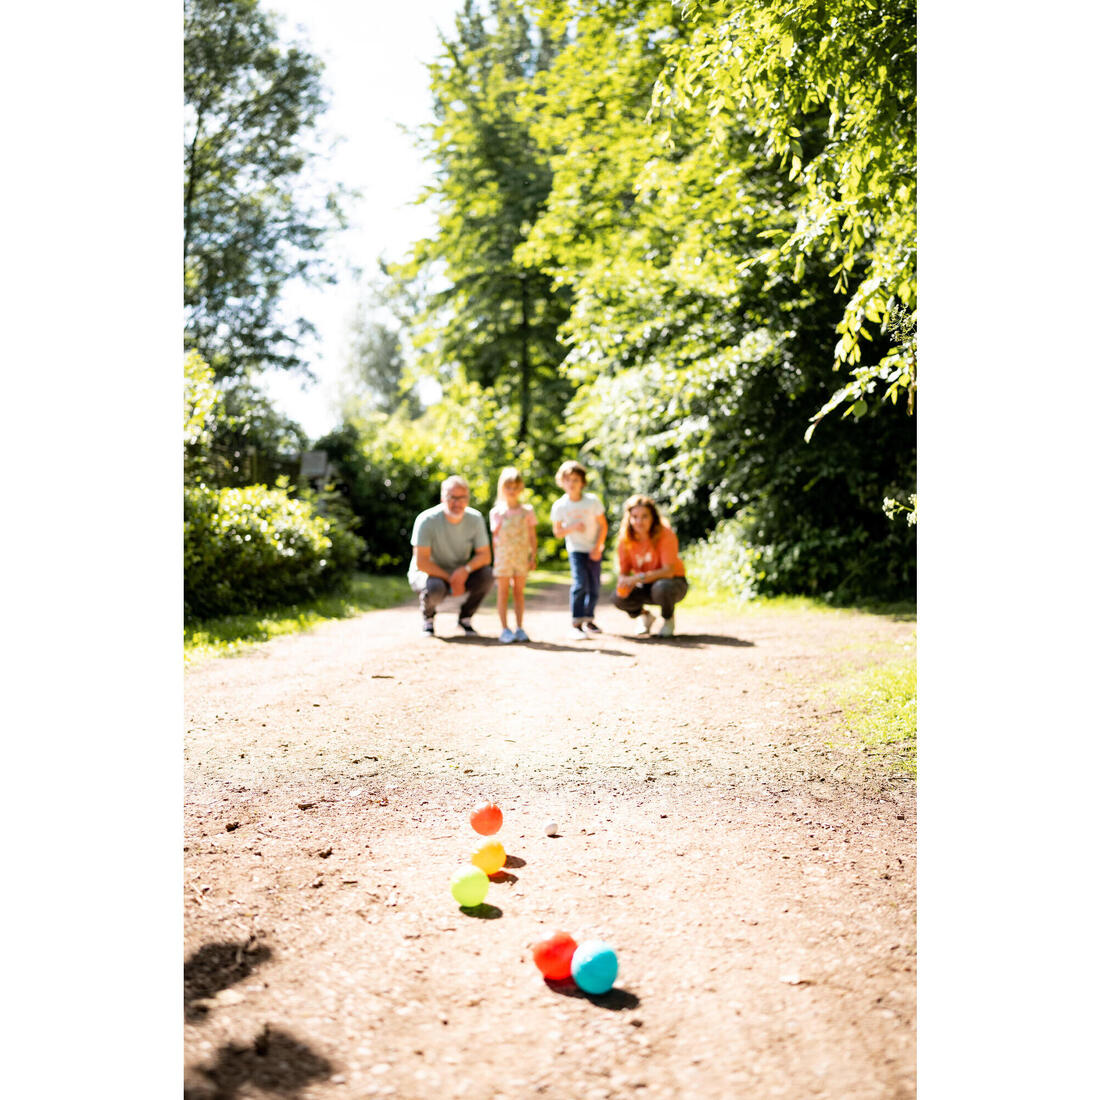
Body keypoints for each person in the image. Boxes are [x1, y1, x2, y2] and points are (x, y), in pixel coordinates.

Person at [408, 475, 493, 636]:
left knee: (487, 575)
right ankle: (428, 617)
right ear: (442, 498)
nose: (457, 503)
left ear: (468, 499)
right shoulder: (426, 520)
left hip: (459, 572)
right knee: (435, 587)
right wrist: (451, 579)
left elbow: (485, 556)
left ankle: (465, 617)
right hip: (428, 574)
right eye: (452, 497)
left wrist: (465, 571)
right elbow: (422, 562)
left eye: (462, 498)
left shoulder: (475, 519)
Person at [612, 494, 689, 638]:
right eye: (635, 516)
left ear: (653, 517)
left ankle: (668, 618)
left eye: (644, 516)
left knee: (662, 587)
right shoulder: (625, 540)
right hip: (645, 585)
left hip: (673, 583)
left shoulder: (666, 535)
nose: (639, 521)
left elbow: (668, 571)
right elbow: (624, 572)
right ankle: (645, 616)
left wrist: (637, 578)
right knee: (617, 597)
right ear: (629, 518)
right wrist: (623, 582)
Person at [550, 460, 608, 638]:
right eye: (567, 480)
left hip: (594, 548)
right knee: (580, 583)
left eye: (575, 479)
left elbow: (603, 526)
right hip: (576, 550)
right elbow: (557, 532)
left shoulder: (592, 501)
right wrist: (573, 527)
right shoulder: (560, 506)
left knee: (594, 586)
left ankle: (589, 619)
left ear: (582, 482)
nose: (571, 483)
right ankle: (576, 623)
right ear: (562, 482)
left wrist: (598, 547)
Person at [489, 466, 538, 643]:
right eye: (508, 487)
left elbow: (532, 536)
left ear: (521, 488)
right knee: (503, 593)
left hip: (521, 558)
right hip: (503, 559)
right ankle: (504, 629)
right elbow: (495, 539)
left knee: (519, 593)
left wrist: (533, 556)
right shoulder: (497, 513)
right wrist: (495, 560)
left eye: (515, 487)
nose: (512, 490)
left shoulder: (527, 511)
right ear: (502, 488)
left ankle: (519, 627)